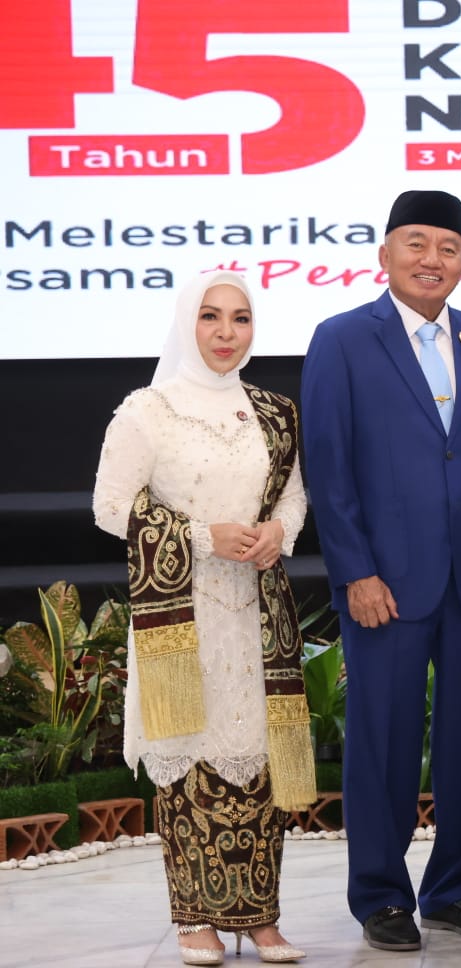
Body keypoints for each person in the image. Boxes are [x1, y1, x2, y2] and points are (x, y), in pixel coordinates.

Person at [300, 190, 461, 952]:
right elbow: (329, 468)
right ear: (386, 254)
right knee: (384, 743)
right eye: (417, 244)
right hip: (386, 586)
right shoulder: (341, 339)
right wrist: (355, 572)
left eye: (448, 248)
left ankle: (451, 888)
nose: (432, 260)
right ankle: (380, 896)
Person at [93, 270, 312, 965]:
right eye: (211, 316)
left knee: (258, 758)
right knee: (189, 753)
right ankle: (196, 918)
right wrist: (199, 535)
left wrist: (278, 532)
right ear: (187, 322)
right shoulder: (148, 410)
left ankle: (260, 917)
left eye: (240, 318)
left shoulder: (274, 412)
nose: (226, 333)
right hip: (181, 615)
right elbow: (109, 506)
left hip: (257, 613)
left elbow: (293, 498)